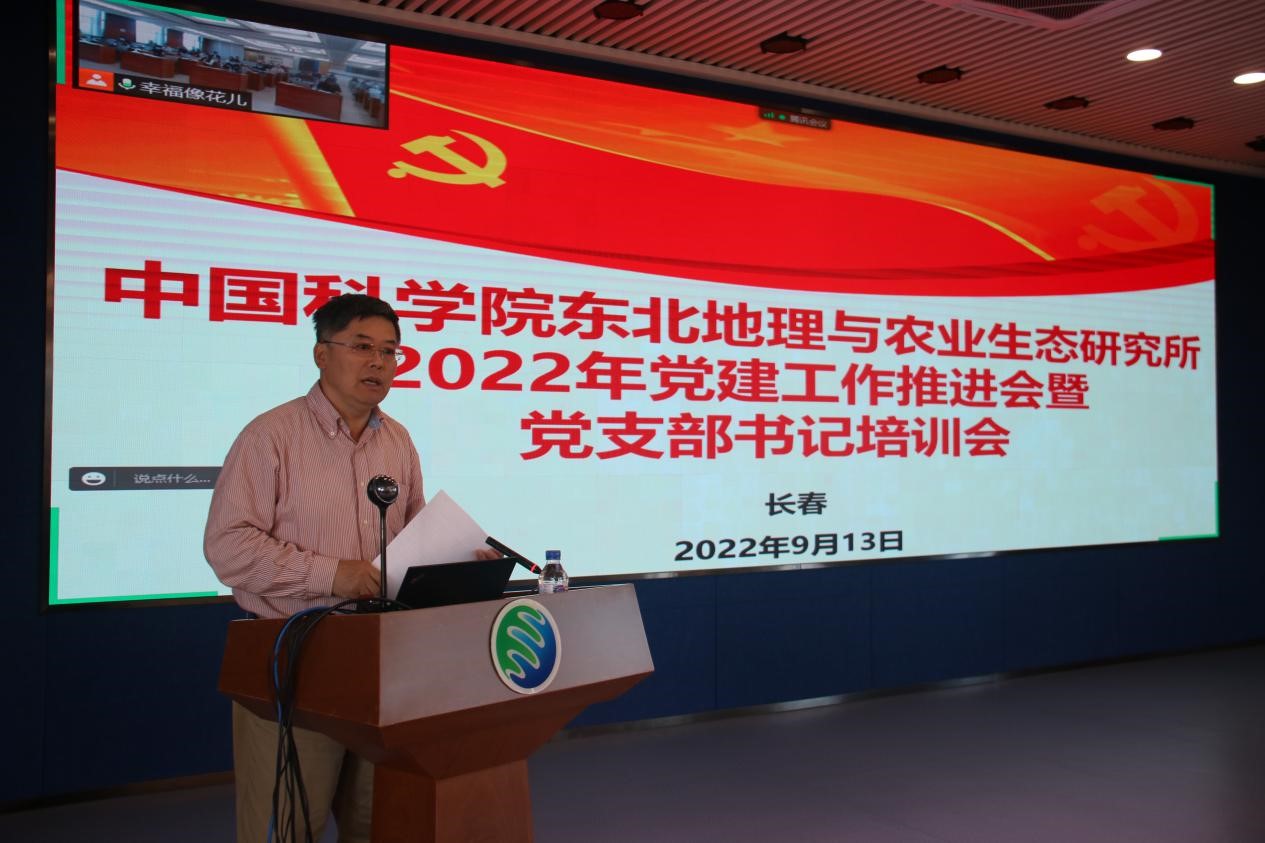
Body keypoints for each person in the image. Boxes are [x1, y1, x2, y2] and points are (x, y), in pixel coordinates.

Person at [204, 294, 492, 842]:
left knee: (377, 821)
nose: (378, 362)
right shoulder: (271, 435)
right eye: (362, 347)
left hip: (384, 663)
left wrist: (460, 558)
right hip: (295, 658)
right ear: (321, 354)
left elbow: (411, 539)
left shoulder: (398, 439)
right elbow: (228, 546)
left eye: (390, 351)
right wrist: (332, 574)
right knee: (289, 825)